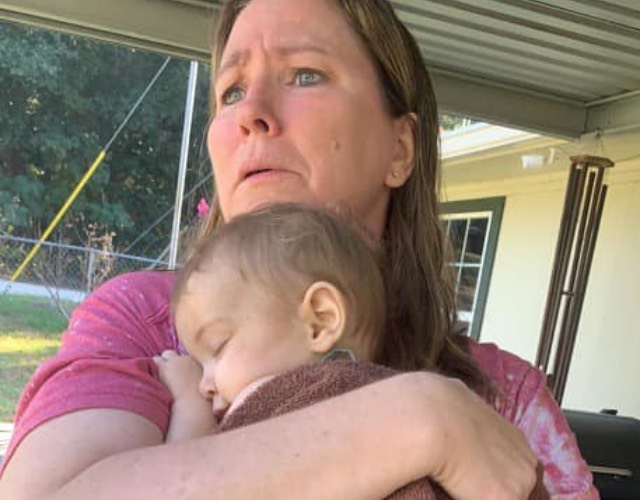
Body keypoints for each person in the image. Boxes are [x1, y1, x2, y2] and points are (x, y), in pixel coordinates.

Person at [0, 0, 598, 499]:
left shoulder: (509, 392)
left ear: (400, 148)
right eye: (232, 91)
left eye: (305, 74)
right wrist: (422, 419)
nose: (251, 114)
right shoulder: (145, 319)